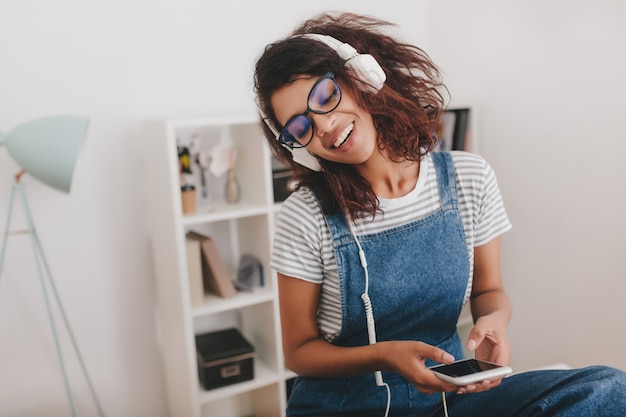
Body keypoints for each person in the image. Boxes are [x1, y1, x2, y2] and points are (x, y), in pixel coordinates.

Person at [253, 11, 626, 417]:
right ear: (298, 147)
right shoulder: (304, 216)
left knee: (608, 389)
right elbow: (300, 351)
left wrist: (494, 321)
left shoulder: (470, 178)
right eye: (301, 126)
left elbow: (488, 292)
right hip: (347, 406)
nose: (323, 126)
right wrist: (384, 356)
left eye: (325, 97)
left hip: (448, 397)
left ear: (363, 76)